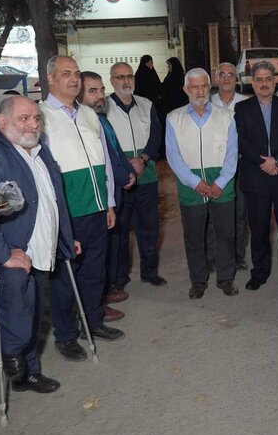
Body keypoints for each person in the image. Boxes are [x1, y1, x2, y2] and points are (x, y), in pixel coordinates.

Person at [0, 96, 76, 394]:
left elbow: (55, 199)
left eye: (36, 118)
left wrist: (66, 236)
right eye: (23, 118)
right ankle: (13, 352)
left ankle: (28, 373)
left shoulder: (41, 151)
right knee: (19, 296)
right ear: (2, 122)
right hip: (10, 246)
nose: (32, 125)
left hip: (40, 243)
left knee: (36, 308)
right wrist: (4, 255)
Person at [39, 56, 124, 362]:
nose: (74, 79)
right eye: (66, 74)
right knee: (64, 278)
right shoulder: (41, 115)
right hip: (67, 214)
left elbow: (105, 163)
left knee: (94, 271)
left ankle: (93, 322)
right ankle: (66, 335)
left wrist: (109, 202)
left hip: (97, 208)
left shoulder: (89, 114)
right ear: (51, 79)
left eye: (76, 73)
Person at [165, 68, 239, 299]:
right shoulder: (174, 118)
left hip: (222, 182)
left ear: (209, 87)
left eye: (203, 86)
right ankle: (198, 280)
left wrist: (221, 181)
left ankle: (225, 278)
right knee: (194, 236)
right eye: (194, 86)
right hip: (190, 185)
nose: (199, 91)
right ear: (186, 89)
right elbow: (173, 157)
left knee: (226, 233)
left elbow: (232, 154)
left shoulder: (227, 116)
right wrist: (196, 182)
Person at [235, 60, 278, 290]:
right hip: (256, 178)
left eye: (268, 79)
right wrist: (264, 162)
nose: (264, 83)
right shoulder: (242, 109)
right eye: (259, 79)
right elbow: (241, 141)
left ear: (275, 82)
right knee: (259, 230)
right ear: (253, 83)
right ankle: (260, 274)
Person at [106, 62, 168, 293]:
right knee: (120, 230)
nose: (126, 81)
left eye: (129, 76)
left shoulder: (146, 104)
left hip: (146, 175)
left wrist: (142, 159)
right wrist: (125, 165)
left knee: (149, 227)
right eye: (120, 77)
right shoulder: (104, 108)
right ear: (111, 81)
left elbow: (156, 136)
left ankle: (150, 272)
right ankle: (120, 276)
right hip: (120, 180)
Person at [80, 71, 138, 304]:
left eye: (102, 90)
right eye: (93, 91)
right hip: (102, 195)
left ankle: (109, 286)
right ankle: (99, 298)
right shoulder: (85, 123)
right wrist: (123, 176)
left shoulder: (101, 118)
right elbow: (103, 160)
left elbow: (116, 151)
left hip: (115, 192)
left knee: (114, 243)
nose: (100, 96)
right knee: (100, 251)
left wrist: (129, 171)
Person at [208, 62, 250, 270]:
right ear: (216, 78)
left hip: (241, 165)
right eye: (222, 74)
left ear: (237, 78)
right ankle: (214, 255)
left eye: (230, 74)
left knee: (239, 213)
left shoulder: (246, 103)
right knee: (214, 213)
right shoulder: (207, 103)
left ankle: (238, 255)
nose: (226, 78)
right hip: (215, 166)